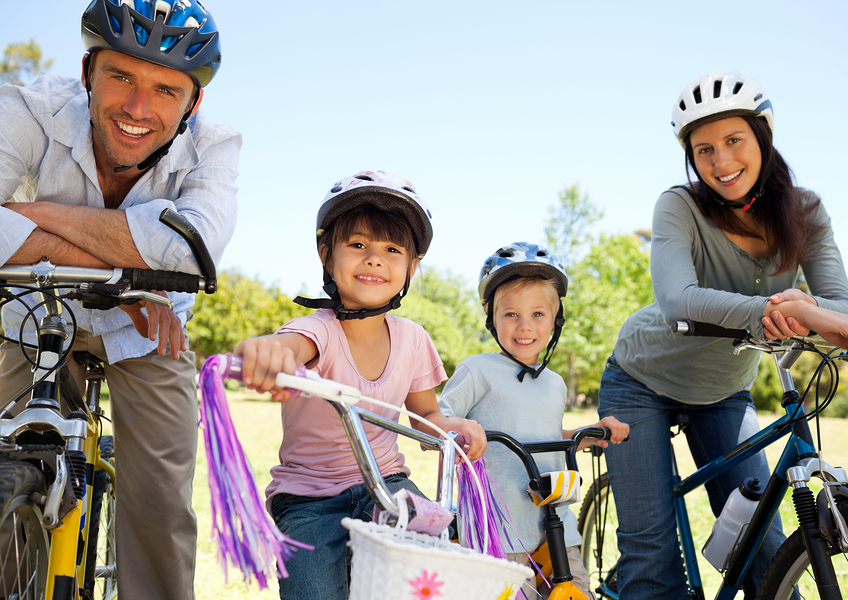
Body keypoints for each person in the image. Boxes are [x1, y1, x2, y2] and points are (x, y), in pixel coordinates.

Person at [597, 70, 848, 599]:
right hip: (640, 380)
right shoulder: (679, 206)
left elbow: (843, 305)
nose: (721, 161)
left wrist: (810, 307)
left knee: (763, 549)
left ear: (763, 139)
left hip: (723, 390)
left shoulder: (805, 212)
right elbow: (678, 300)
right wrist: (804, 311)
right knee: (652, 555)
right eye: (704, 149)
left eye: (734, 141)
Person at [0, 1, 240, 598]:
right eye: (121, 76)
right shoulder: (28, 111)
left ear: (193, 103)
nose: (138, 109)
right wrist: (136, 264)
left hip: (148, 326)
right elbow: (162, 252)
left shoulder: (215, 146)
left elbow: (192, 254)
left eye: (165, 89)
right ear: (87, 73)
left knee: (157, 502)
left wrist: (35, 217)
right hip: (30, 310)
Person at [234, 170, 487, 600]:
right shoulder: (317, 330)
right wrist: (271, 353)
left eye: (392, 249)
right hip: (310, 498)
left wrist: (452, 428)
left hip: (388, 485)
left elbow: (425, 414)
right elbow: (290, 347)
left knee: (438, 568)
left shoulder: (413, 338)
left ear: (412, 266)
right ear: (325, 253)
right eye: (358, 245)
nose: (374, 259)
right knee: (313, 590)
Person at [438, 242, 629, 600]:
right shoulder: (478, 370)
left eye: (538, 314)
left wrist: (591, 433)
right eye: (511, 314)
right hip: (500, 530)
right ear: (491, 318)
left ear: (556, 320)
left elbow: (546, 435)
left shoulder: (554, 382)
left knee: (576, 591)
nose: (525, 326)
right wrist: (460, 431)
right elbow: (435, 425)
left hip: (556, 524)